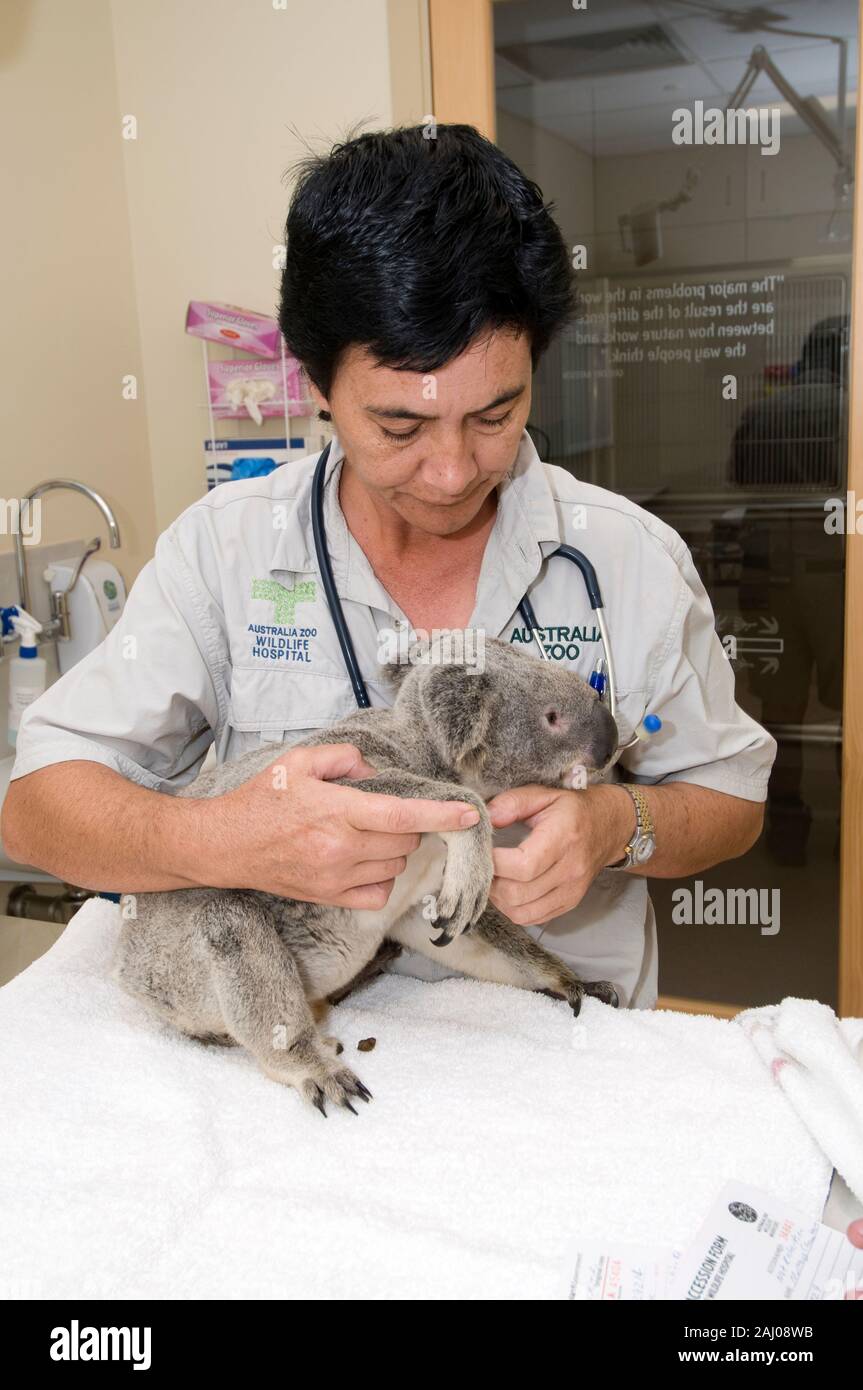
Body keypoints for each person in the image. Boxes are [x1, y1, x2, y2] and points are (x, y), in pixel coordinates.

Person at [1, 125, 776, 1009]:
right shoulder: (225, 551)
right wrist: (224, 838)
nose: (450, 473)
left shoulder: (628, 558)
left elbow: (730, 800)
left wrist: (616, 825)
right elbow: (36, 809)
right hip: (312, 1054)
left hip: (557, 1053)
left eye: (495, 414)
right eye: (399, 427)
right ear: (318, 387)